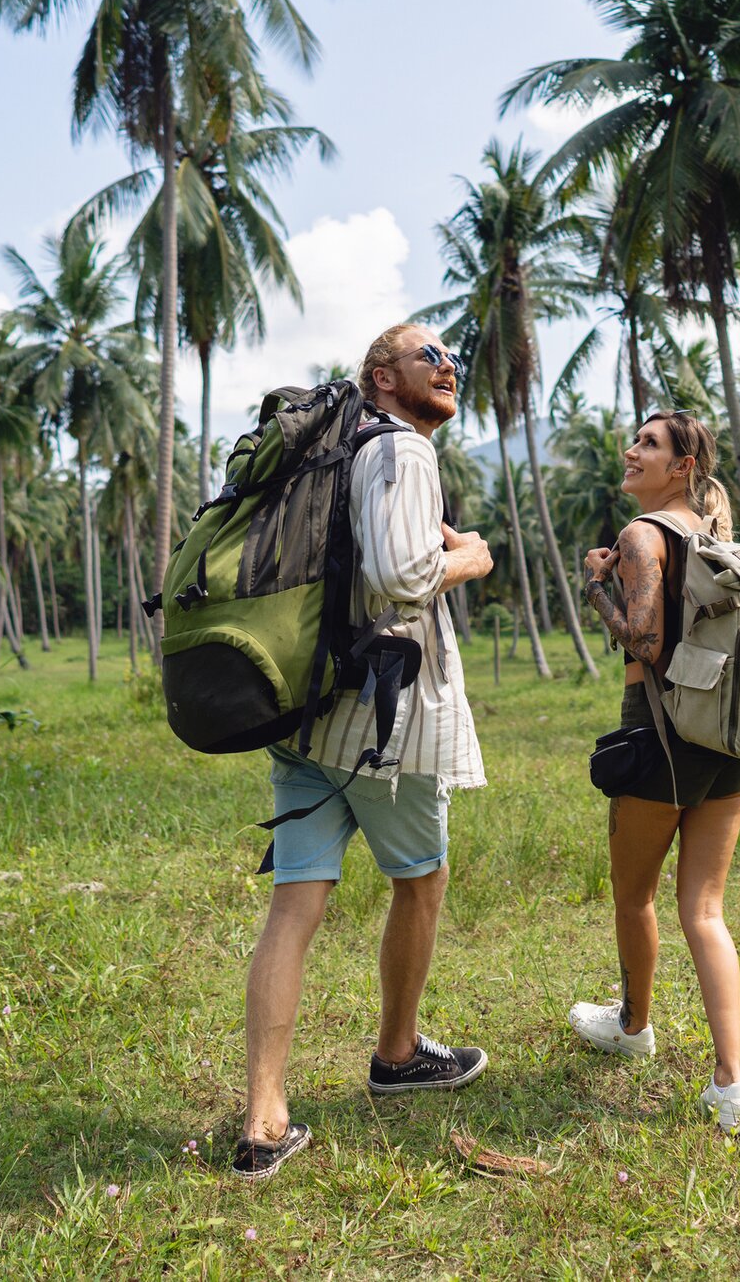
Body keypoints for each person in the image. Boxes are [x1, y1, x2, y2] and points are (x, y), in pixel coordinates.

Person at [234, 324, 496, 1181]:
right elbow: (398, 572)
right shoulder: (402, 452)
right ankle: (396, 1055)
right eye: (431, 356)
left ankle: (264, 1118)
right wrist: (469, 555)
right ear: (383, 378)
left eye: (452, 356)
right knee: (421, 878)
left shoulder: (338, 455)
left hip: (308, 710)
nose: (448, 364)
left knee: (293, 909)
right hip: (383, 722)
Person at [574, 411, 740, 1134]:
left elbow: (645, 640)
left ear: (682, 465)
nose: (631, 450)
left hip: (658, 737)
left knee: (633, 895)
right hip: (727, 740)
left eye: (648, 444)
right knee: (705, 912)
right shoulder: (716, 537)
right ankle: (730, 1084)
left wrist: (598, 586)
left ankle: (634, 1025)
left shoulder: (643, 535)